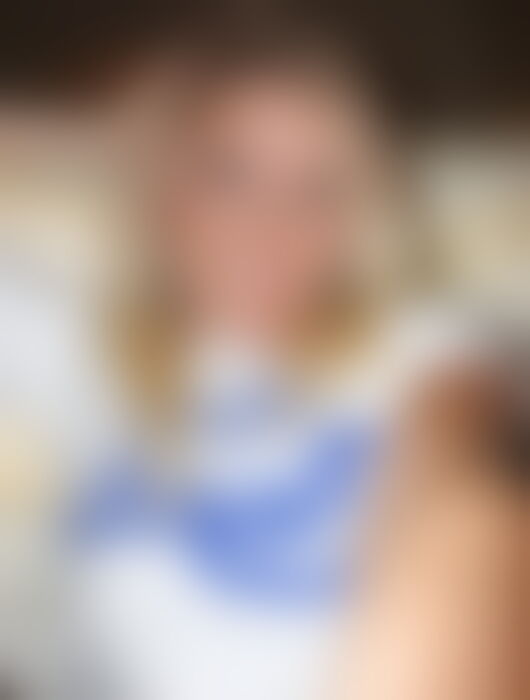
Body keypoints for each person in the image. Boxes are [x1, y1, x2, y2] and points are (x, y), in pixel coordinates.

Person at [69, 23, 518, 700]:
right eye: (232, 175)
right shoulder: (82, 356)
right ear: (163, 191)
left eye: (319, 189)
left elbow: (468, 497)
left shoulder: (418, 348)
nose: (272, 227)